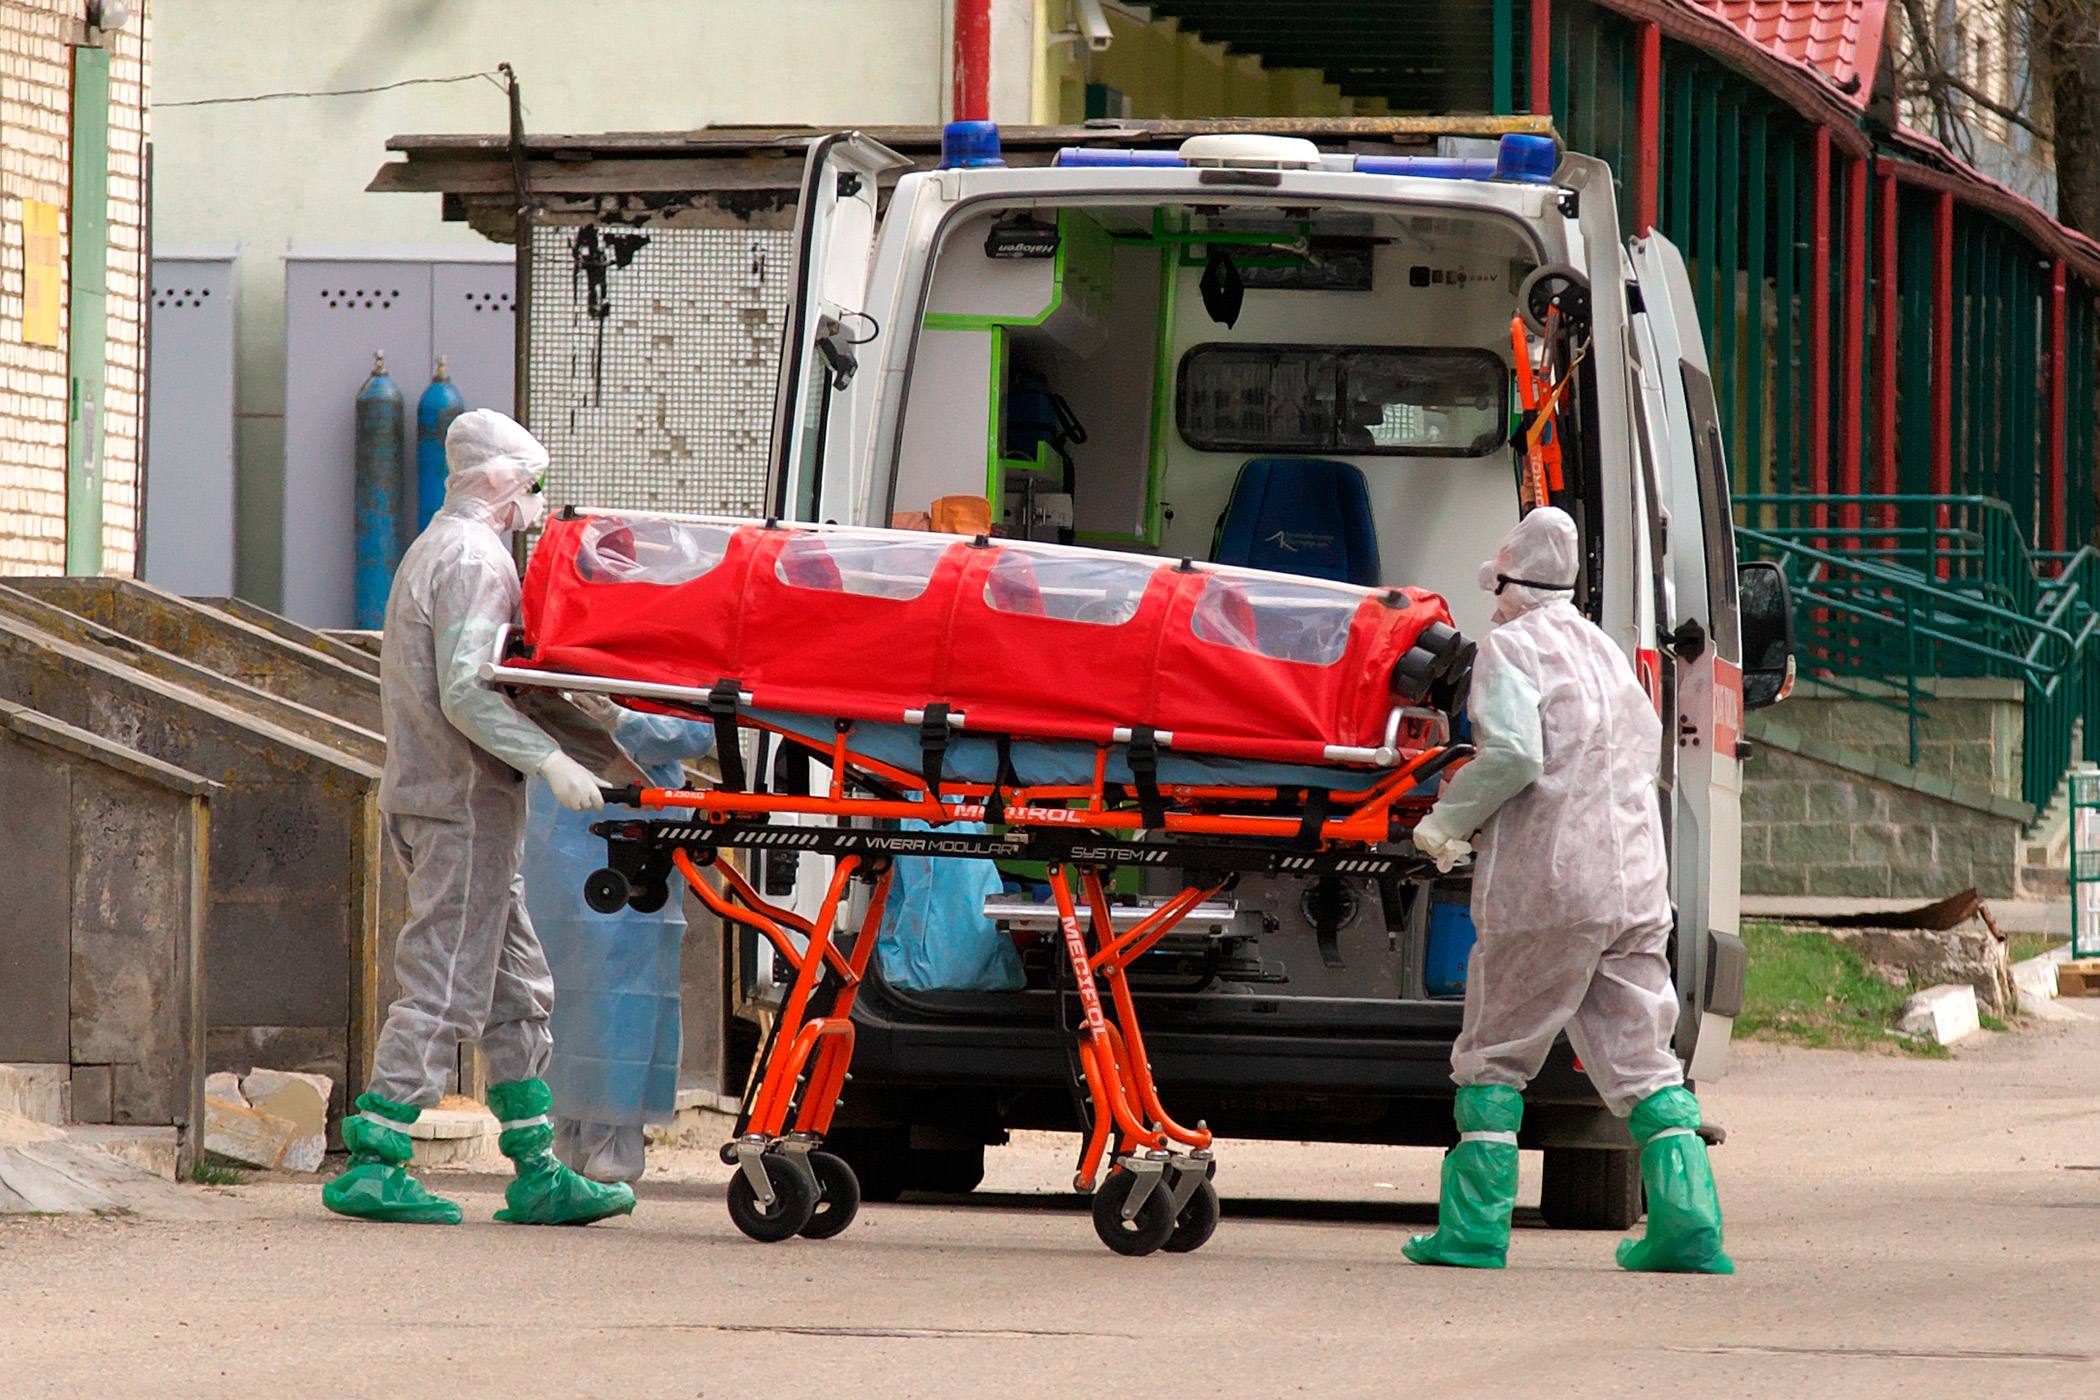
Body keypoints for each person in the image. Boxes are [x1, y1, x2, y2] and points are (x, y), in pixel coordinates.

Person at [322, 409, 635, 1227]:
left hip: (458, 803)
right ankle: (377, 1156)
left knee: (515, 989)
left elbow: (494, 677)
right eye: (533, 487)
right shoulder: (470, 558)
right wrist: (554, 761)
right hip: (460, 805)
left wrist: (591, 736)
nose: (538, 505)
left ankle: (537, 1167)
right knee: (446, 985)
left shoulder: (444, 549)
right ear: (501, 482)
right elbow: (467, 690)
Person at [1404, 506, 1732, 1274]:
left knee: (1493, 1055)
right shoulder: (1606, 653)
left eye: (1495, 586)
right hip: (1635, 887)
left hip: (1550, 887)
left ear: (1510, 581)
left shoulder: (1510, 650)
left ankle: (1473, 1233)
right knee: (1643, 1058)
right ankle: (1689, 1230)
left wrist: (1447, 823)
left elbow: (1513, 756)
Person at [524, 697, 714, 1184]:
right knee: (553, 977)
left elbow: (701, 725)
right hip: (554, 814)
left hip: (638, 812)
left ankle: (612, 1139)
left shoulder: (670, 638)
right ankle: (560, 1129)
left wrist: (623, 722)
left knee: (625, 981)